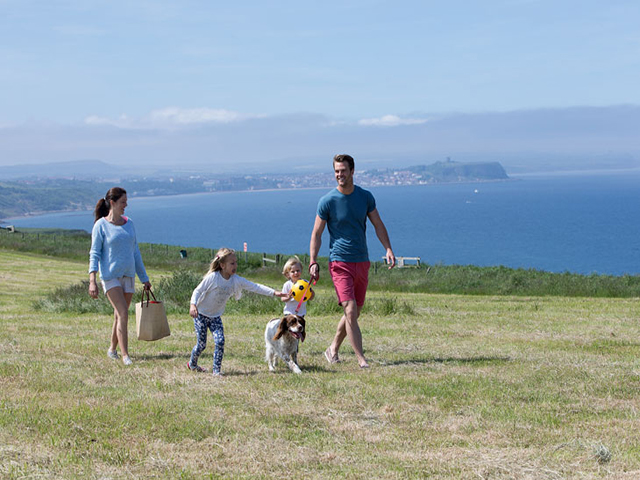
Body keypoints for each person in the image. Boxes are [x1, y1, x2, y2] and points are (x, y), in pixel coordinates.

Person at [309, 154, 396, 368]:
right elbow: (317, 234)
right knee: (349, 309)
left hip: (362, 261)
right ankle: (361, 359)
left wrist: (388, 249)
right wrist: (313, 261)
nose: (339, 175)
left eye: (343, 171)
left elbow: (378, 224)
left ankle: (332, 349)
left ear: (352, 171)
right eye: (336, 171)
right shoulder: (327, 201)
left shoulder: (365, 197)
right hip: (339, 262)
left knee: (355, 312)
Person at [188, 247, 289, 376]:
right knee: (201, 345)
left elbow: (255, 287)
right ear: (222, 265)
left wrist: (275, 293)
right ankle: (192, 364)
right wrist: (193, 305)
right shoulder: (213, 277)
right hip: (201, 315)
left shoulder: (236, 280)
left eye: (236, 262)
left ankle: (216, 371)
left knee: (220, 341)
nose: (235, 265)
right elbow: (198, 291)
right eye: (232, 263)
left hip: (215, 317)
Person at [88, 187, 151, 366]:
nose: (126, 205)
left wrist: (144, 277)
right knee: (123, 313)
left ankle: (112, 349)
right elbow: (94, 254)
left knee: (118, 316)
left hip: (128, 275)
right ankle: (125, 355)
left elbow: (135, 251)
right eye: (123, 202)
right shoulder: (100, 225)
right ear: (113, 203)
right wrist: (92, 280)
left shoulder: (129, 223)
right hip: (110, 277)